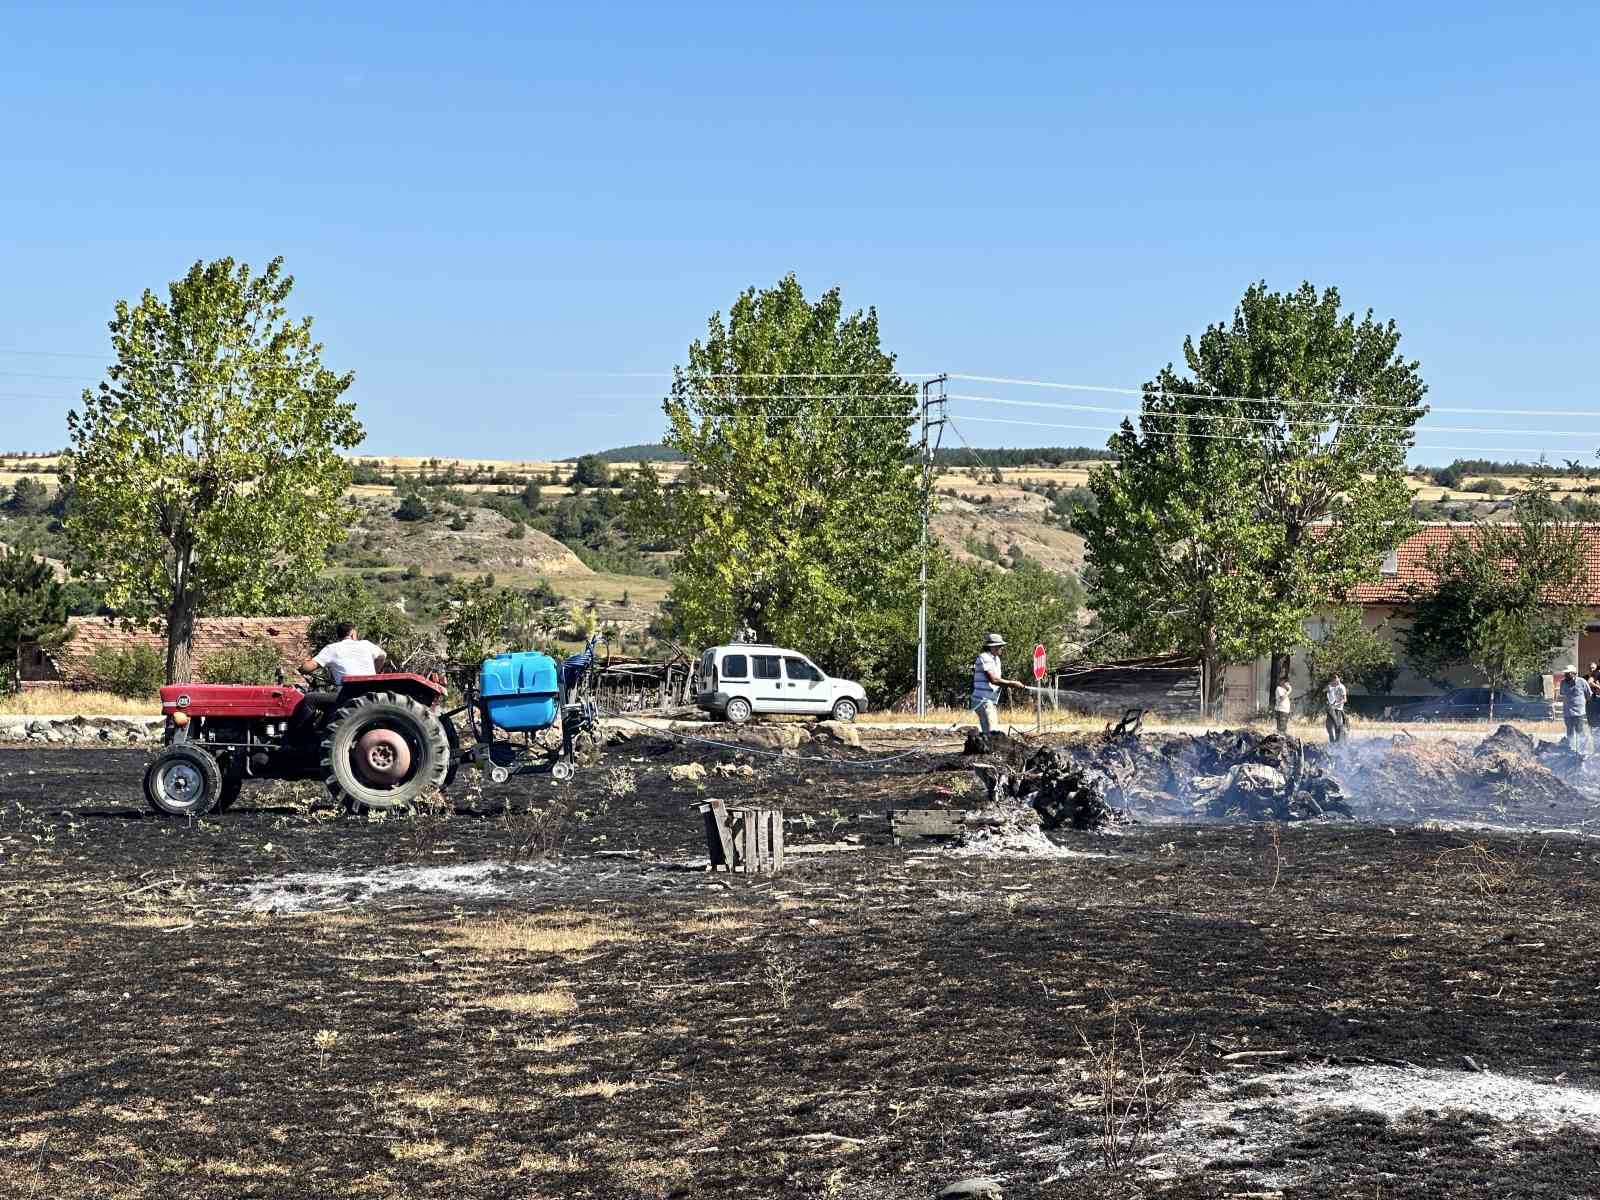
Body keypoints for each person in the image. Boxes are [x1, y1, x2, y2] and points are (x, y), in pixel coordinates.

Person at [972, 632, 1026, 737]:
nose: (1001, 648)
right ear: (992, 647)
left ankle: (986, 750)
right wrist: (1012, 683)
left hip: (989, 701)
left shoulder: (996, 659)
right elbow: (994, 680)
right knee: (992, 733)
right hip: (982, 700)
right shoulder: (984, 657)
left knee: (990, 732)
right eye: (999, 646)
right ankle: (988, 752)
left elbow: (997, 680)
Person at [301, 622, 387, 685]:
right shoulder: (366, 644)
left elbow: (309, 666)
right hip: (371, 689)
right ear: (353, 634)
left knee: (310, 699)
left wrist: (301, 668)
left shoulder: (332, 648)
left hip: (347, 693)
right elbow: (383, 655)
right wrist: (375, 673)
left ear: (338, 636)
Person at [1560, 665, 1592, 754]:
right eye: (1565, 673)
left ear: (1574, 673)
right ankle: (1571, 749)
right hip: (1567, 712)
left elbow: (1589, 695)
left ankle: (1581, 750)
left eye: (1568, 673)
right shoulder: (1562, 683)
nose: (1565, 675)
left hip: (1579, 713)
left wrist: (1581, 703)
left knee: (1580, 731)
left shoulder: (1582, 682)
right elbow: (1562, 694)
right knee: (1570, 731)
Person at [1324, 672, 1348, 744]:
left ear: (1339, 678)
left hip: (1337, 710)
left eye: (1335, 677)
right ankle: (1332, 742)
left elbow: (1345, 699)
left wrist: (1336, 703)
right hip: (1331, 709)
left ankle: (1337, 743)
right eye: (1333, 677)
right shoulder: (1330, 686)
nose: (1334, 679)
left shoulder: (1341, 687)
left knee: (1337, 727)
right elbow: (1328, 696)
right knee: (1329, 727)